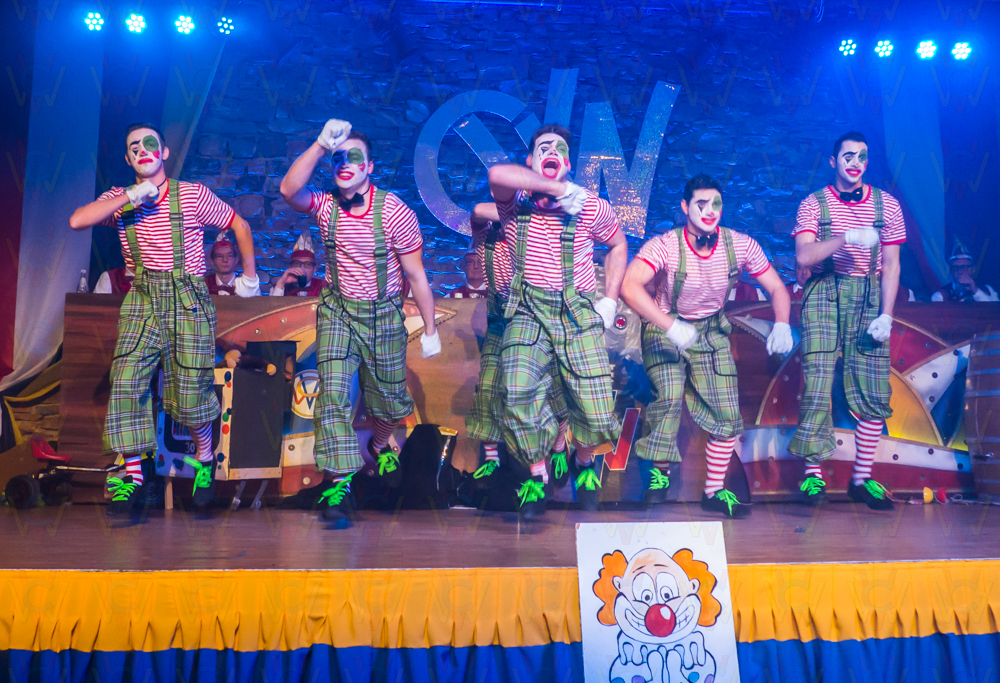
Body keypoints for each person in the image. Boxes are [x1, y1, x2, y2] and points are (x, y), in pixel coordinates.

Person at [68, 122, 259, 517]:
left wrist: (250, 276)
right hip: (142, 297)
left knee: (190, 393)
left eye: (149, 143)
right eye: (133, 147)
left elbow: (239, 224)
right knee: (125, 380)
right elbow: (78, 220)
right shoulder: (119, 198)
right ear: (127, 159)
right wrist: (131, 195)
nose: (142, 150)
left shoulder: (191, 195)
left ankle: (204, 460)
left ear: (165, 152)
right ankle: (133, 476)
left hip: (187, 298)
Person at [279, 118, 441, 526]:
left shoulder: (395, 212)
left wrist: (431, 328)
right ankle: (339, 482)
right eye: (338, 158)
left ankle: (380, 445)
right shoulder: (325, 205)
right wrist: (320, 144)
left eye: (354, 158)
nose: (345, 164)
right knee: (332, 395)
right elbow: (288, 190)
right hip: (337, 312)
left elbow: (416, 275)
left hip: (383, 314)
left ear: (369, 167)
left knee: (390, 402)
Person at [621, 175, 793, 518]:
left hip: (711, 330)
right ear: (685, 207)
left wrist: (783, 322)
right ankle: (660, 475)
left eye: (716, 203)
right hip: (665, 326)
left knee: (727, 414)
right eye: (701, 204)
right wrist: (670, 325)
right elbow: (629, 285)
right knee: (669, 396)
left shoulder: (740, 245)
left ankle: (714, 491)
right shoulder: (665, 245)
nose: (710, 210)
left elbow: (776, 287)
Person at [487, 124, 629, 520]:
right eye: (543, 148)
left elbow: (618, 244)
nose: (552, 152)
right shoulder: (514, 203)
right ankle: (537, 475)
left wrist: (610, 299)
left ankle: (583, 462)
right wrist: (556, 190)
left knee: (597, 408)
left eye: (560, 148)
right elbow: (497, 174)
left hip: (576, 310)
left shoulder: (591, 206)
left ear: (568, 163)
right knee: (517, 391)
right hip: (528, 310)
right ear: (530, 161)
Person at [790, 131, 905, 510]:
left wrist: (887, 314)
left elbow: (891, 264)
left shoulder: (887, 205)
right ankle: (812, 476)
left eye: (862, 157)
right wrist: (846, 237)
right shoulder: (813, 204)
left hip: (868, 296)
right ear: (833, 161)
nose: (856, 163)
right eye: (848, 156)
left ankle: (862, 479)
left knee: (873, 387)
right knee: (818, 382)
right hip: (824, 291)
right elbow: (804, 257)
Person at [464, 202, 572, 495]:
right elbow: (477, 213)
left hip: (535, 316)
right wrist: (506, 207)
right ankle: (492, 459)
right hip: (501, 318)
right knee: (487, 386)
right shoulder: (486, 233)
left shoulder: (532, 226)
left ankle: (559, 446)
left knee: (552, 388)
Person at [931, 241, 998, 302]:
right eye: (956, 267)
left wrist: (975, 290)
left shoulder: (988, 290)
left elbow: (994, 310)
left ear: (973, 269)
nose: (960, 271)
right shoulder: (940, 296)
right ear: (950, 270)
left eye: (965, 267)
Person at [206, 231, 260, 296]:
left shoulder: (246, 286)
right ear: (212, 261)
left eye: (229, 256)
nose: (225, 260)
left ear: (236, 260)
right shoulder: (203, 284)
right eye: (219, 256)